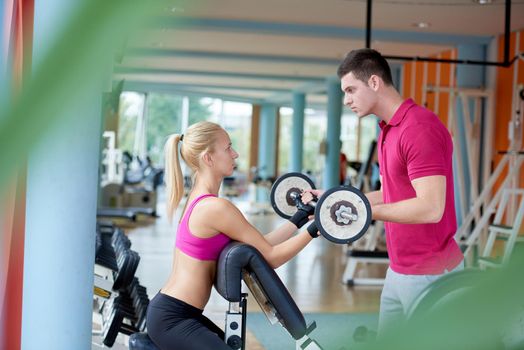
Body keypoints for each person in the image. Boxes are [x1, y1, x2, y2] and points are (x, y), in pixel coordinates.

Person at [306, 48, 463, 334]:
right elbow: (393, 192)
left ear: (375, 82)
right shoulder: (388, 129)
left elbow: (430, 207)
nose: (347, 100)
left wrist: (362, 213)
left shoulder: (419, 128)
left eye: (351, 89)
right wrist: (335, 199)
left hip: (431, 274)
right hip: (399, 269)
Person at [146, 121, 318, 350]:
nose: (235, 154)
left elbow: (263, 244)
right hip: (174, 319)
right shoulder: (215, 208)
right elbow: (271, 257)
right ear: (208, 158)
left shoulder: (201, 200)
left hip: (178, 312)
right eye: (228, 148)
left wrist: (300, 218)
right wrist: (316, 229)